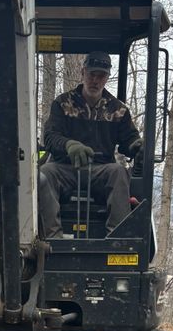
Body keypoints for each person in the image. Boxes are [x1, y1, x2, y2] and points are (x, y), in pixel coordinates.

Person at [39, 51, 143, 239]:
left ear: (107, 77)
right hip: (66, 168)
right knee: (46, 173)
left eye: (101, 76)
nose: (95, 80)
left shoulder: (117, 110)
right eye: (91, 74)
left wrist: (137, 145)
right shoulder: (63, 103)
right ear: (83, 73)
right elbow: (50, 136)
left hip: (100, 170)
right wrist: (69, 145)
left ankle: (117, 239)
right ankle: (52, 238)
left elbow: (129, 138)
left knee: (118, 172)